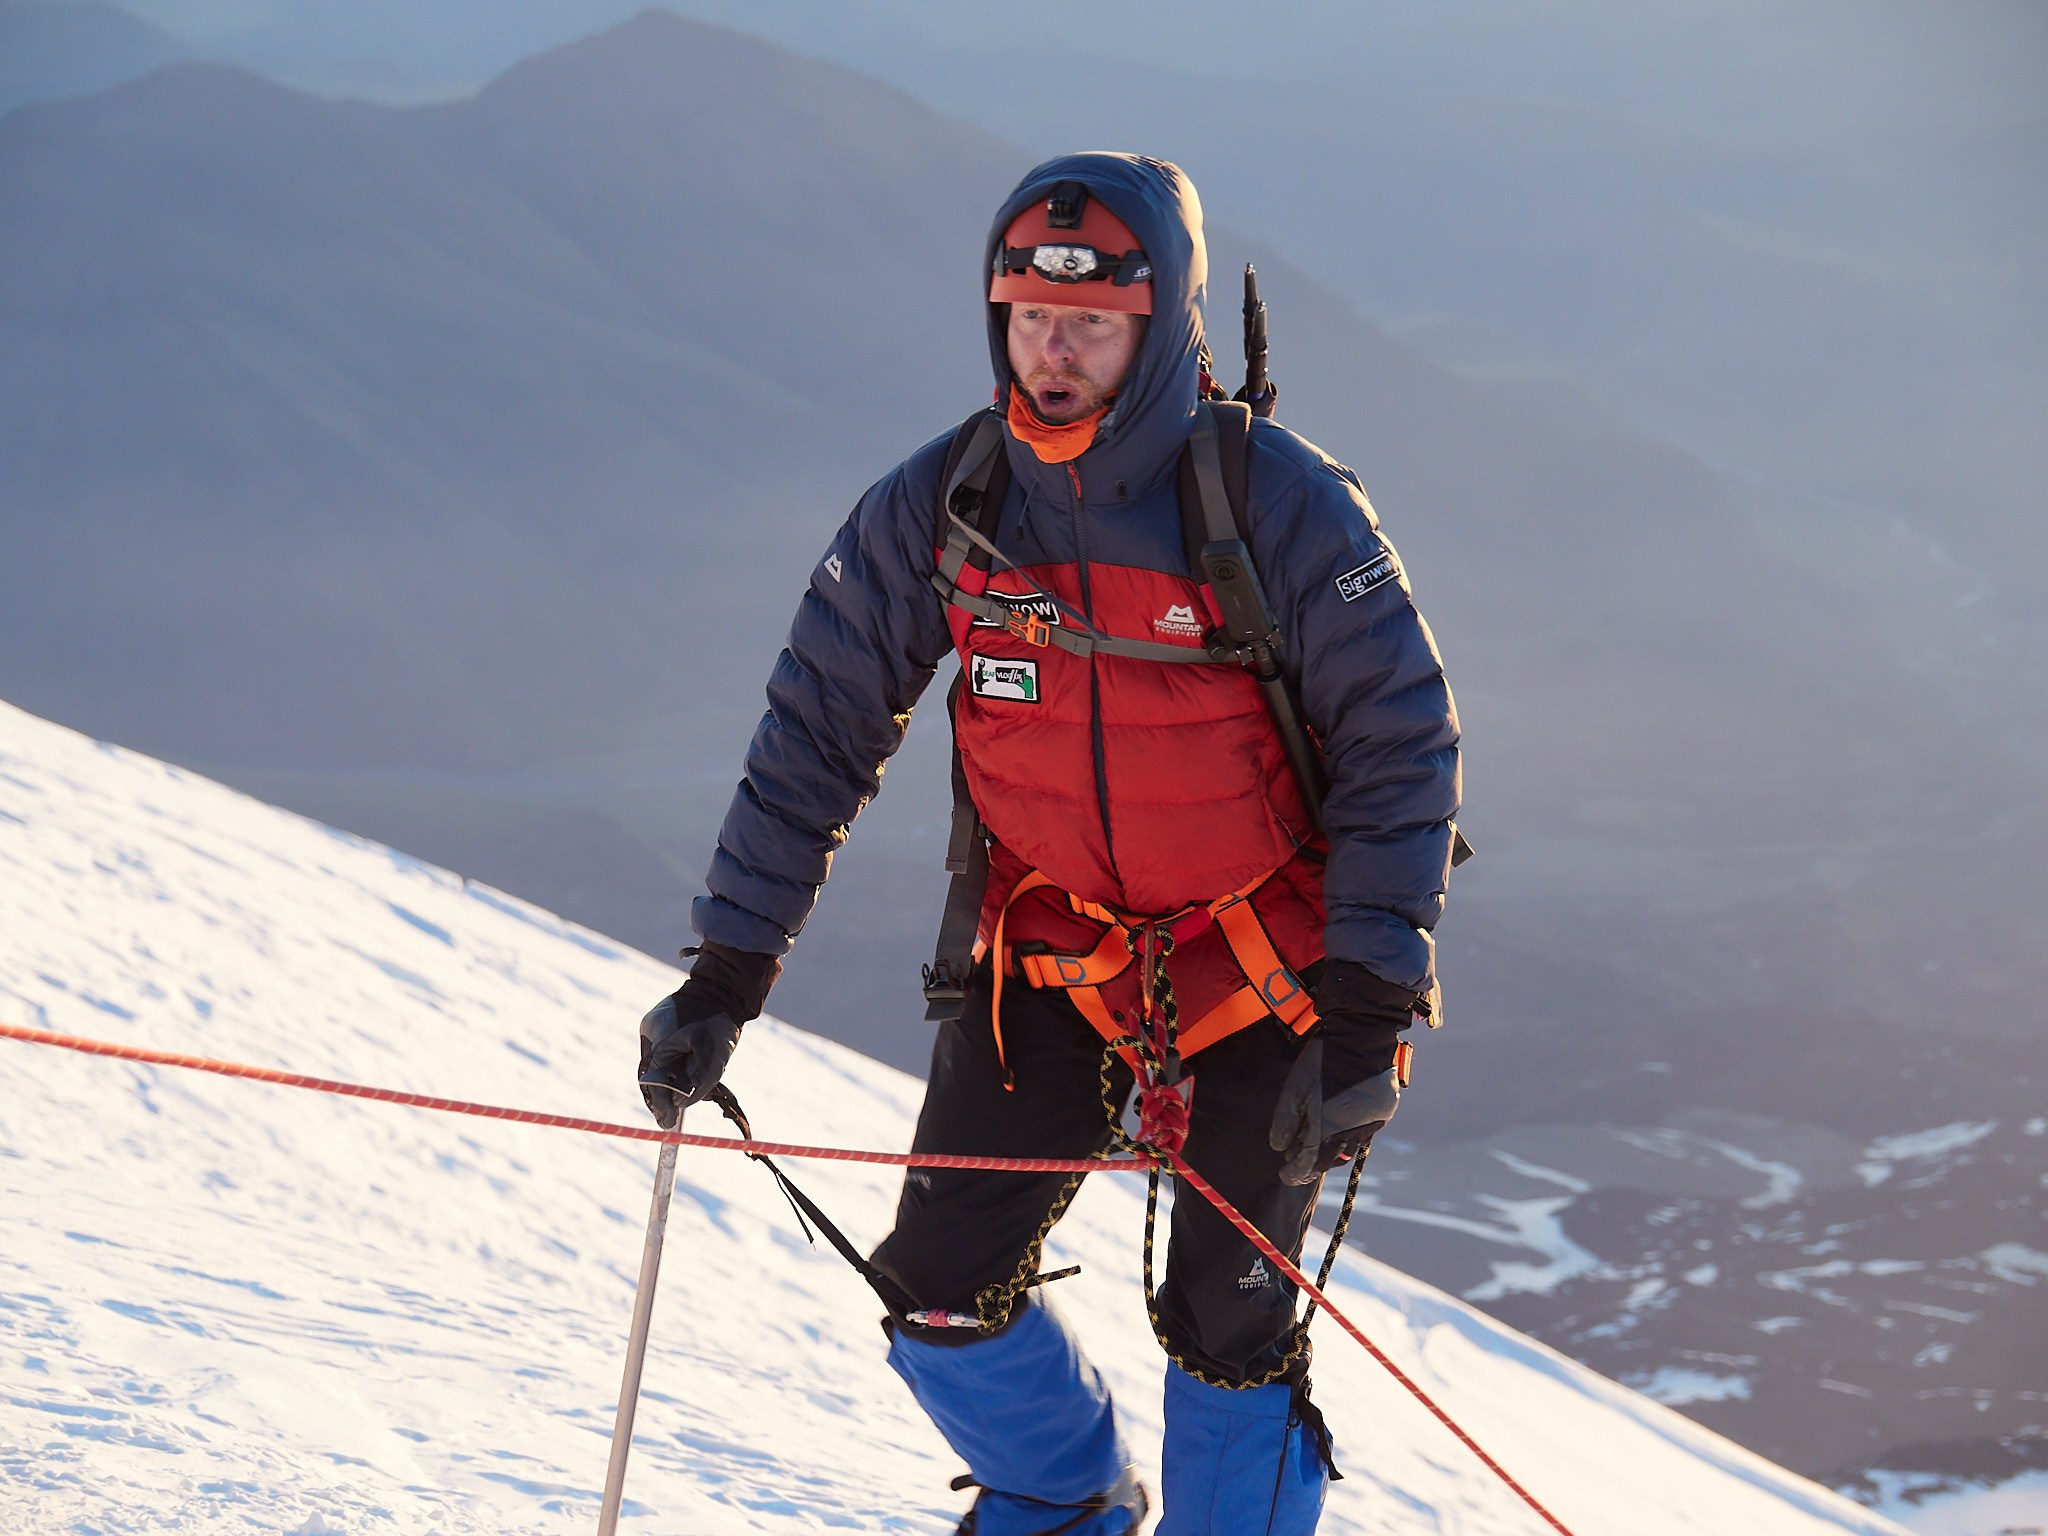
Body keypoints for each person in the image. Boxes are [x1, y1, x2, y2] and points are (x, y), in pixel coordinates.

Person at [638, 152, 1460, 1536]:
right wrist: (726, 973)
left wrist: (1370, 1007)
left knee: (1227, 1325)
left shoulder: (1275, 504)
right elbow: (816, 732)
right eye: (1027, 317)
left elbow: (1401, 737)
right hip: (1054, 959)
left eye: (1090, 321)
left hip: (1266, 969)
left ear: (1162, 322)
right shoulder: (947, 508)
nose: (1053, 350)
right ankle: (1064, 1504)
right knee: (939, 1283)